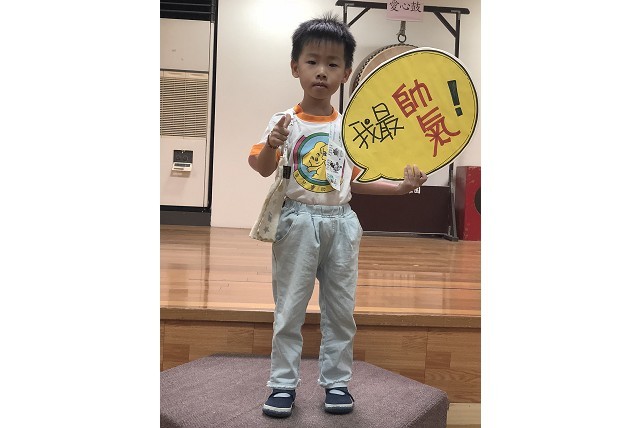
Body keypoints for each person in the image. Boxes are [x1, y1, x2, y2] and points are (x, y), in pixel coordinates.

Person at [248, 13, 427, 418]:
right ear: (295, 66)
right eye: (312, 61)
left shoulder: (350, 128)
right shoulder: (284, 122)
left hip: (342, 224)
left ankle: (337, 382)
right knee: (289, 309)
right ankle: (282, 385)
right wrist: (273, 144)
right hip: (296, 222)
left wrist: (400, 188)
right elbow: (261, 167)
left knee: (341, 310)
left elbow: (354, 183)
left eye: (332, 64)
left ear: (346, 74)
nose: (321, 72)